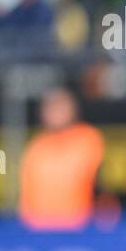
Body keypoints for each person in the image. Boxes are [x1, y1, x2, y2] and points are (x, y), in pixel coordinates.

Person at [18, 87, 105, 230]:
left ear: (73, 109)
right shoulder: (35, 147)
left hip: (80, 229)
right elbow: (26, 198)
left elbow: (100, 186)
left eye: (61, 106)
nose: (56, 113)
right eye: (51, 107)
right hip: (40, 230)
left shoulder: (88, 139)